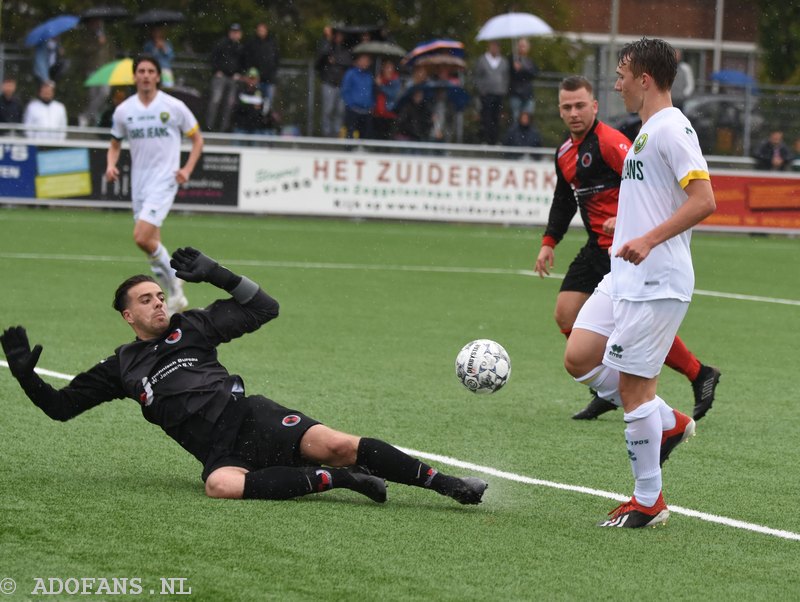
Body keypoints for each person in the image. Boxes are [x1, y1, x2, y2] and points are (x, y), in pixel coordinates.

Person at [0, 247, 489, 506]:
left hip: (252, 417)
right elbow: (61, 409)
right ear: (127, 316)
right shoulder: (120, 367)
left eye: (159, 294)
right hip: (219, 452)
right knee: (220, 487)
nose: (158, 302)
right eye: (146, 300)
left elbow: (264, 307)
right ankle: (341, 481)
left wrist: (218, 273)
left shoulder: (192, 326)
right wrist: (27, 376)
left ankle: (448, 486)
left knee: (341, 441)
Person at [562, 38, 717, 528]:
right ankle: (666, 420)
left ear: (645, 79)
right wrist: (622, 230)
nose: (616, 83)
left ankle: (648, 501)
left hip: (656, 281)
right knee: (580, 355)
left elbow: (704, 200)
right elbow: (656, 198)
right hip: (623, 276)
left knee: (634, 390)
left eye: (622, 73)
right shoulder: (648, 131)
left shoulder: (672, 129)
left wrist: (647, 239)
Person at [535, 75, 721, 422]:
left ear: (594, 106)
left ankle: (698, 374)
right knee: (565, 313)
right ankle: (609, 387)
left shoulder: (612, 142)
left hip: (628, 249)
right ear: (559, 111)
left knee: (632, 325)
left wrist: (623, 219)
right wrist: (549, 243)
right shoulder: (564, 151)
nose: (574, 113)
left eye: (580, 105)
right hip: (597, 246)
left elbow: (644, 183)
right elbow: (564, 201)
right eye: (566, 107)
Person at [105, 54, 204, 315]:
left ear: (158, 76)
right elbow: (114, 144)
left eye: (151, 71)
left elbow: (197, 139)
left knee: (141, 236)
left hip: (165, 179)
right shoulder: (124, 110)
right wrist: (110, 165)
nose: (146, 75)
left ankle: (174, 291)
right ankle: (172, 287)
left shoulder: (173, 106)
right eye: (141, 71)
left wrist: (187, 169)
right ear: (135, 76)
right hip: (140, 182)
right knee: (151, 242)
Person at [206, 23, 244, 132]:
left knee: (230, 103)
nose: (235, 34)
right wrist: (216, 70)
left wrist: (239, 73)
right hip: (221, 76)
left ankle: (224, 128)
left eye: (237, 32)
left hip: (233, 78)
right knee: (215, 100)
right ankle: (210, 126)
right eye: (233, 32)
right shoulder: (221, 44)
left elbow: (244, 62)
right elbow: (213, 58)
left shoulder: (241, 47)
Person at [315, 26, 351, 137]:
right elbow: (320, 59)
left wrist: (336, 61)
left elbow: (348, 62)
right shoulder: (327, 46)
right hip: (328, 82)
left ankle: (336, 133)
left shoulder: (346, 49)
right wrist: (327, 38)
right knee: (328, 110)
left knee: (340, 111)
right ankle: (326, 133)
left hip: (341, 85)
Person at [474, 40, 509, 145]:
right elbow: (477, 76)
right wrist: (482, 89)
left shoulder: (503, 61)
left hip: (499, 93)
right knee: (486, 117)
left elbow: (506, 77)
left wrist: (503, 89)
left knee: (496, 118)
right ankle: (485, 139)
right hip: (486, 94)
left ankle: (495, 139)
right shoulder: (482, 60)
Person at [243, 21, 280, 111]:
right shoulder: (252, 43)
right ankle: (255, 121)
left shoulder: (272, 42)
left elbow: (276, 59)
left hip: (269, 79)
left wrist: (273, 72)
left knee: (268, 103)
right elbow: (247, 59)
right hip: (256, 79)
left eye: (263, 30)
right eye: (260, 30)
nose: (261, 32)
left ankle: (266, 121)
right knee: (255, 102)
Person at [232, 67, 277, 138]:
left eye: (254, 78)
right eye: (250, 78)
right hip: (241, 126)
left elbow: (264, 110)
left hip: (256, 127)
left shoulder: (261, 93)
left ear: (258, 79)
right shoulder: (240, 90)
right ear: (246, 78)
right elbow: (237, 108)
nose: (252, 81)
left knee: (256, 146)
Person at [340, 52, 374, 139]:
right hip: (353, 110)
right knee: (350, 134)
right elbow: (345, 90)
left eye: (367, 61)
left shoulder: (369, 75)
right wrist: (351, 104)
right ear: (358, 60)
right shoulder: (351, 73)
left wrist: (371, 105)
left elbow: (371, 91)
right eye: (363, 60)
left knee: (365, 134)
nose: (365, 62)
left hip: (366, 110)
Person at [508, 38, 539, 123]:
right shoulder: (512, 59)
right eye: (521, 46)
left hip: (528, 94)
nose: (522, 48)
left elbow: (535, 73)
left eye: (524, 46)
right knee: (516, 118)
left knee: (528, 118)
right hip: (516, 93)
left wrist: (522, 68)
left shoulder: (530, 61)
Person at [372, 59, 400, 140]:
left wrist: (381, 86)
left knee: (387, 137)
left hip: (389, 114)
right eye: (386, 67)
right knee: (377, 137)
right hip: (378, 113)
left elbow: (393, 95)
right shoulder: (379, 78)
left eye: (390, 67)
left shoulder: (395, 81)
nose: (388, 70)